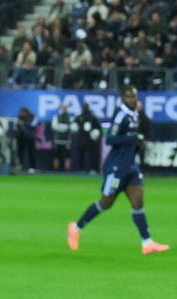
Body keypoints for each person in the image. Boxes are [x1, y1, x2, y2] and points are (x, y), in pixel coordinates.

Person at [67, 86, 169, 255]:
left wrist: (138, 141)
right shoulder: (120, 115)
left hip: (131, 166)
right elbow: (110, 139)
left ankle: (147, 243)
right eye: (129, 97)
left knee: (138, 203)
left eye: (134, 96)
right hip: (117, 167)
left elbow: (140, 132)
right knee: (105, 203)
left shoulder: (134, 114)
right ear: (122, 98)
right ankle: (76, 227)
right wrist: (132, 138)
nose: (132, 99)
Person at [50, 102, 73, 172]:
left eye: (66, 107)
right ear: (61, 107)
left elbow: (71, 127)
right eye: (63, 107)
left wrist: (61, 126)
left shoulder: (70, 117)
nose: (64, 108)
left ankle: (67, 171)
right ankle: (56, 170)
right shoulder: (56, 116)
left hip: (67, 140)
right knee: (56, 155)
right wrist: (65, 127)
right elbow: (54, 126)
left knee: (67, 156)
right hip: (58, 140)